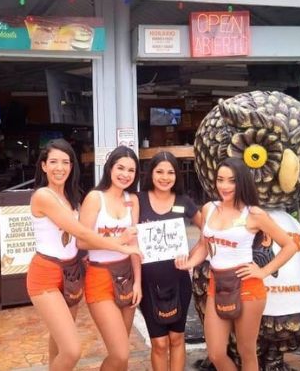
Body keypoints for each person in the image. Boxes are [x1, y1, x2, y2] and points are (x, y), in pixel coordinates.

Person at [27, 139, 141, 371]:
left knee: (58, 343)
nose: (60, 167)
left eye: (66, 162)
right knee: (72, 350)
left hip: (72, 272)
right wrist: (119, 244)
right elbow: (80, 233)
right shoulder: (43, 195)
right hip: (46, 274)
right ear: (43, 166)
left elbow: (78, 242)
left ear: (72, 166)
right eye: (54, 162)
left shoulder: (71, 197)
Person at [176, 158, 297, 371]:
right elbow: (205, 245)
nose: (224, 186)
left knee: (246, 351)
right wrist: (189, 263)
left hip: (247, 287)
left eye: (231, 181)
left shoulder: (254, 214)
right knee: (215, 353)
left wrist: (263, 271)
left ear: (241, 182)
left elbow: (290, 245)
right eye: (220, 180)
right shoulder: (208, 209)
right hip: (217, 285)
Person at [137, 151, 204, 371]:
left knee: (177, 339)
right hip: (148, 282)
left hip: (178, 281)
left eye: (170, 172)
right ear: (151, 173)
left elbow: (210, 231)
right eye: (159, 172)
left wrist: (192, 257)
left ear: (177, 176)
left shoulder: (184, 201)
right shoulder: (138, 200)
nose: (165, 177)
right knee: (159, 343)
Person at [78, 146, 141, 371]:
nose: (125, 174)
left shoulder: (132, 199)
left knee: (122, 355)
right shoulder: (95, 198)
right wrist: (119, 241)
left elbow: (135, 244)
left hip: (127, 276)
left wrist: (138, 283)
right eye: (120, 168)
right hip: (99, 276)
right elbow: (81, 241)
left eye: (131, 170)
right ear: (110, 168)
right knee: (120, 352)